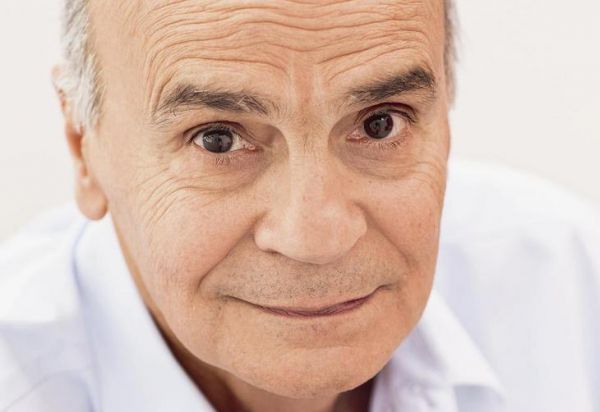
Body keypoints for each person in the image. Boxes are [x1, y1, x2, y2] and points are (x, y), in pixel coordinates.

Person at [0, 0, 598, 411]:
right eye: (217, 139)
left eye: (380, 123)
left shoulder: (573, 291)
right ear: (83, 145)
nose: (316, 237)